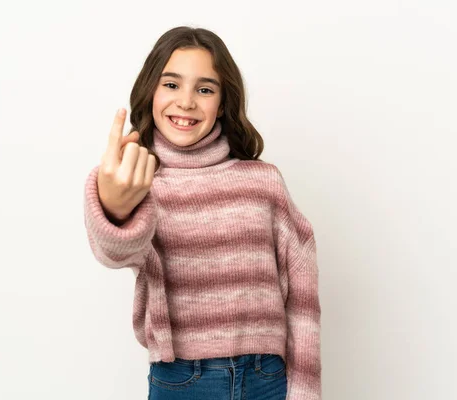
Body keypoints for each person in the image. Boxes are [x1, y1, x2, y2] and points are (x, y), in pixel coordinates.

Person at [83, 26, 321, 400]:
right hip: (182, 380)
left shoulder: (263, 182)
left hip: (267, 378)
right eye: (172, 85)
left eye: (205, 89)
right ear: (151, 91)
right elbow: (114, 252)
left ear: (223, 103)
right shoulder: (141, 182)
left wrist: (306, 388)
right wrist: (113, 204)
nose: (187, 102)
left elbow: (302, 291)